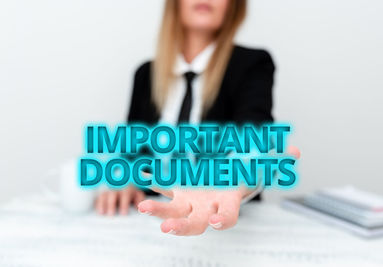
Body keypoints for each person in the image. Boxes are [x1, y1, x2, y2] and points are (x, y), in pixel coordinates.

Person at [95, 0, 300, 236]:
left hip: (227, 226)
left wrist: (233, 178)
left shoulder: (252, 64)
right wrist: (123, 181)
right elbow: (130, 151)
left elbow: (253, 135)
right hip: (149, 223)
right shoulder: (145, 75)